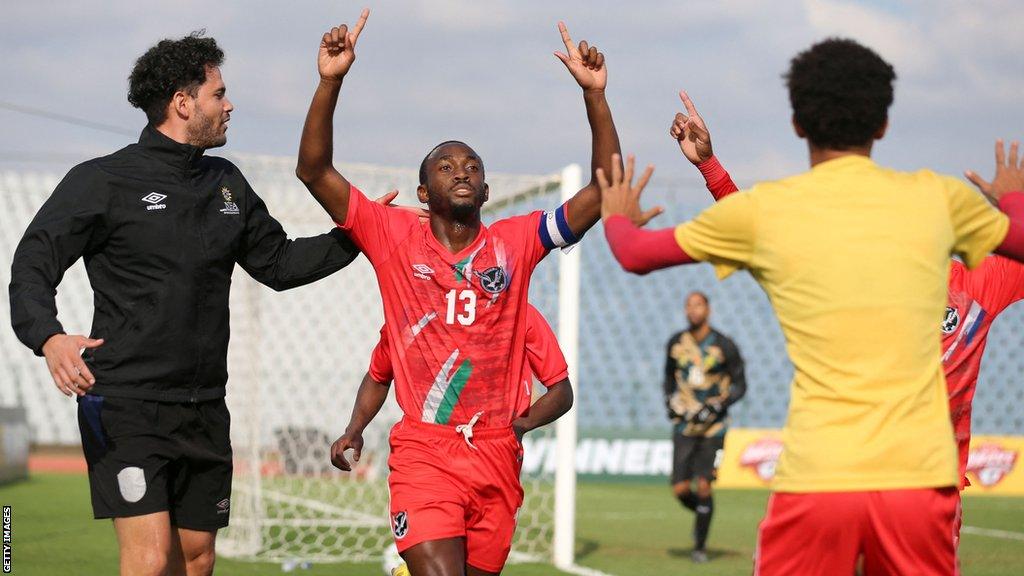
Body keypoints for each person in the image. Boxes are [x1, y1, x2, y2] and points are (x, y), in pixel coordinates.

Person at [598, 38, 1024, 575]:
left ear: (798, 123)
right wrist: (1014, 197)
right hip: (920, 483)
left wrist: (617, 213)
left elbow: (635, 254)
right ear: (884, 124)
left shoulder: (777, 212)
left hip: (819, 479)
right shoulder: (940, 200)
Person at [7, 33, 373, 576]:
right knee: (151, 560)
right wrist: (49, 336)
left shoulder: (226, 183)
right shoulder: (102, 180)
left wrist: (360, 232)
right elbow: (31, 266)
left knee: (196, 560)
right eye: (218, 93)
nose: (229, 105)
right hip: (127, 402)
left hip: (204, 407)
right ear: (183, 102)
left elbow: (278, 264)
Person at [294, 9, 631, 575]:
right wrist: (331, 81)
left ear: (487, 188)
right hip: (426, 451)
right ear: (423, 192)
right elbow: (313, 169)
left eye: (472, 165)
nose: (462, 170)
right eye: (447, 166)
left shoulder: (517, 239)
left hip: (497, 452)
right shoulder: (390, 232)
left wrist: (595, 97)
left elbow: (603, 192)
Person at [663, 291, 745, 563]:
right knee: (680, 489)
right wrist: (669, 402)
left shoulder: (724, 345)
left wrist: (719, 405)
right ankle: (703, 511)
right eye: (688, 305)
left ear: (708, 309)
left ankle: (699, 546)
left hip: (713, 428)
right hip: (685, 425)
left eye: (698, 305)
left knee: (704, 484)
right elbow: (668, 379)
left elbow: (740, 385)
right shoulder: (676, 343)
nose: (692, 310)